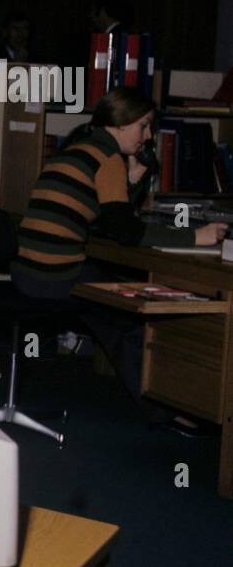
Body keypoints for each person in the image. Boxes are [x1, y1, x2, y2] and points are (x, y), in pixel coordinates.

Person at [11, 87, 227, 426]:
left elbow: (102, 218)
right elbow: (127, 232)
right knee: (131, 318)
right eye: (144, 126)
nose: (147, 136)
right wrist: (195, 236)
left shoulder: (76, 151)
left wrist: (131, 181)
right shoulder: (107, 158)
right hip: (56, 277)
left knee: (113, 295)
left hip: (29, 272)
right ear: (122, 124)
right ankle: (169, 410)